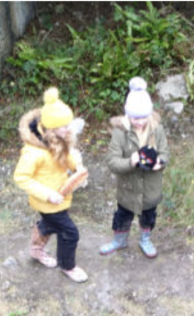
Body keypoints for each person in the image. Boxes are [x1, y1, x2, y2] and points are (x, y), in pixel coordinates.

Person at [13, 87, 88, 283]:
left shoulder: (58, 138)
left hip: (61, 196)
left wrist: (77, 167)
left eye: (68, 124)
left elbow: (66, 157)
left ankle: (36, 249)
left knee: (49, 225)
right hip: (48, 201)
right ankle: (67, 266)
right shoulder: (33, 152)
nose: (68, 129)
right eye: (63, 126)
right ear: (51, 128)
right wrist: (48, 195)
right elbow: (21, 177)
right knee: (69, 232)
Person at [101, 77, 169, 259]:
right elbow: (112, 161)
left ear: (149, 114)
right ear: (128, 115)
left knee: (148, 217)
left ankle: (145, 240)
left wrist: (160, 162)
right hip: (127, 189)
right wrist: (130, 162)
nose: (139, 122)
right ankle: (119, 241)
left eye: (143, 117)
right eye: (135, 117)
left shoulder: (157, 129)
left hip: (150, 188)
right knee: (122, 216)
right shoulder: (120, 132)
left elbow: (165, 153)